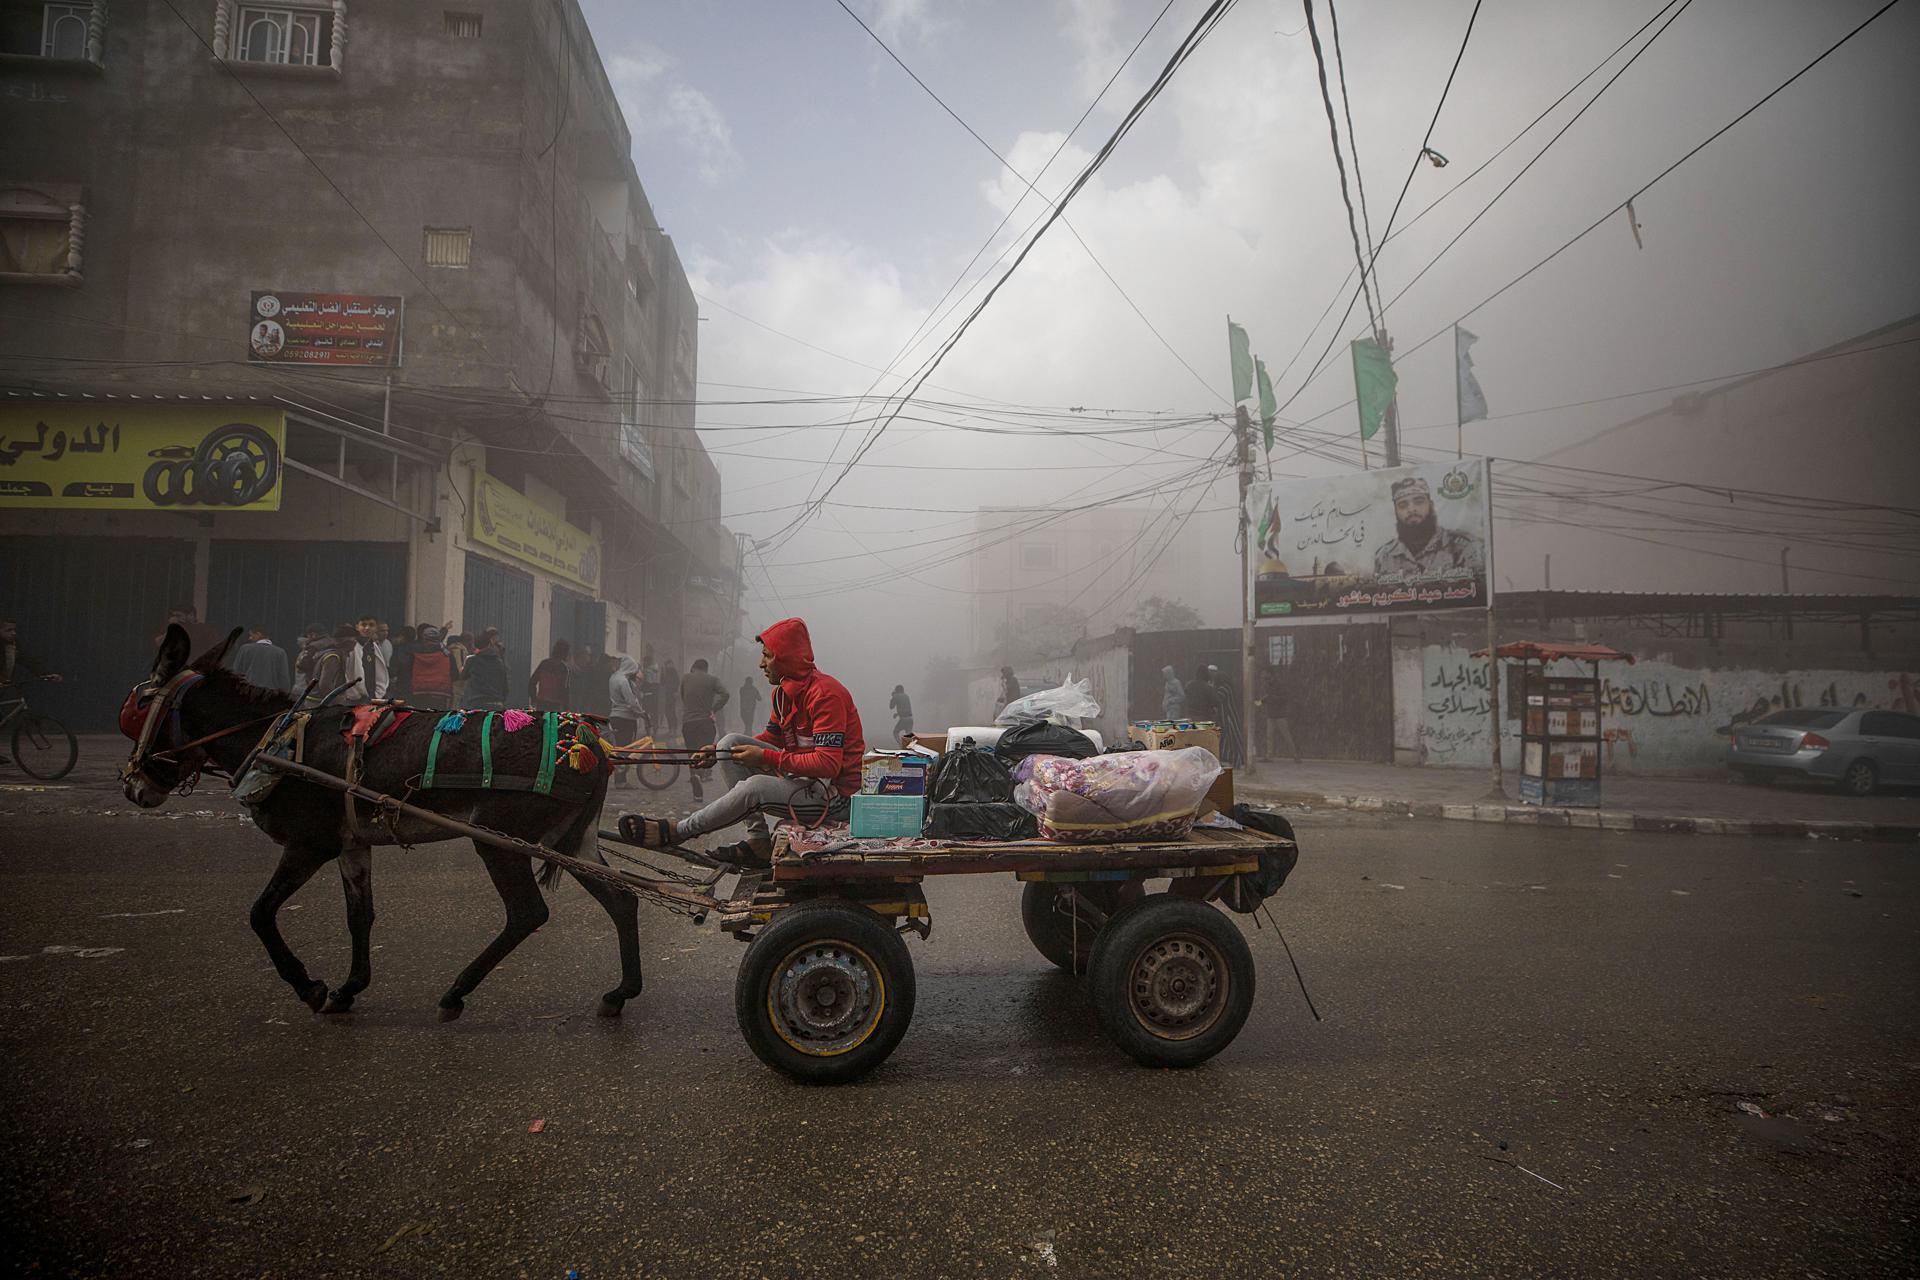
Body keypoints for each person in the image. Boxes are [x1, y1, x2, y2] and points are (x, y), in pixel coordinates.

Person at [621, 617, 865, 868]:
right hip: (805, 781)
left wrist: (765, 758)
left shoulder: (825, 694)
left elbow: (828, 764)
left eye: (767, 656)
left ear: (786, 659)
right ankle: (758, 840)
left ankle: (679, 831)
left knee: (756, 786)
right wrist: (717, 752)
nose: (761, 664)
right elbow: (772, 738)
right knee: (729, 743)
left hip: (834, 799)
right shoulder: (782, 694)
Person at [1371, 475, 1486, 582]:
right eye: (1403, 505)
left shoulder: (1463, 547)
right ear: (1396, 512)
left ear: (1431, 505)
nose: (1411, 509)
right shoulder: (1384, 556)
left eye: (1419, 502)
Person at [0, 617, 61, 766]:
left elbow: (28, 660)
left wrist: (45, 674)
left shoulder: (13, 645)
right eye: (8, 630)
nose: (13, 633)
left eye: (14, 630)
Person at [677, 658, 730, 801]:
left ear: (693, 667)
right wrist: (714, 708)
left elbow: (682, 696)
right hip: (706, 722)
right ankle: (700, 776)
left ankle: (694, 777)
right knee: (702, 751)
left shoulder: (685, 678)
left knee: (691, 752)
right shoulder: (712, 680)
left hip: (688, 722)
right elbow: (726, 694)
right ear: (706, 669)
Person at [396, 625, 456, 710]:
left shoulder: (414, 655)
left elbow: (405, 673)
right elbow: (455, 674)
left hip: (419, 692)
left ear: (423, 639)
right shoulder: (448, 656)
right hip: (440, 693)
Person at [608, 655, 645, 789]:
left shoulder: (614, 677)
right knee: (626, 750)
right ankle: (621, 781)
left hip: (615, 716)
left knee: (620, 749)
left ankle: (620, 779)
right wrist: (642, 713)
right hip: (626, 718)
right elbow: (631, 701)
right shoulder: (623, 681)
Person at [1254, 663, 1302, 764]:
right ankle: (1269, 756)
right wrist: (1261, 702)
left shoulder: (1279, 684)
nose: (1264, 676)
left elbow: (1284, 698)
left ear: (1270, 674)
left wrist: (1271, 698)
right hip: (1271, 715)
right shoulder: (1268, 685)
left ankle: (1295, 755)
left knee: (1286, 736)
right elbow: (1267, 698)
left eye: (1265, 674)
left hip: (1280, 715)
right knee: (1269, 736)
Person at [343, 615, 391, 704]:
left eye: (371, 625)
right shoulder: (352, 647)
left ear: (376, 628)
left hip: (372, 697)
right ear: (357, 627)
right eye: (363, 625)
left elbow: (380, 672)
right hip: (355, 699)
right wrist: (354, 694)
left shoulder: (373, 646)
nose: (367, 628)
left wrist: (378, 693)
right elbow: (346, 673)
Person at [231, 626, 291, 693]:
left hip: (247, 693)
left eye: (251, 635)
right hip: (270, 695)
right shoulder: (280, 653)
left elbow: (235, 672)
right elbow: (284, 678)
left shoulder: (245, 649)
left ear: (258, 634)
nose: (249, 638)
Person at [461, 629, 510, 710]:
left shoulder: (472, 660)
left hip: (477, 703)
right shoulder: (499, 661)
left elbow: (463, 676)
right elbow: (505, 686)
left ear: (474, 645)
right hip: (497, 703)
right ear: (489, 644)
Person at [155, 606, 221, 661]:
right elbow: (159, 643)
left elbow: (215, 648)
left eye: (178, 615)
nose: (175, 618)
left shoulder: (204, 629)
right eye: (174, 615)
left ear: (191, 615)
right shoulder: (174, 627)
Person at [530, 639, 573, 713]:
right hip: (556, 705)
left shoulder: (544, 664)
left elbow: (532, 682)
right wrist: (566, 709)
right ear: (565, 653)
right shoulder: (564, 669)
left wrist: (534, 699)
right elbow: (565, 690)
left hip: (541, 703)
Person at [660, 658, 681, 731]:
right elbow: (662, 682)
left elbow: (677, 682)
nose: (667, 666)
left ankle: (673, 728)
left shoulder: (674, 672)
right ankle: (671, 728)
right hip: (667, 694)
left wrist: (675, 691)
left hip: (672, 694)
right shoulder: (665, 672)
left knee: (671, 711)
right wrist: (662, 673)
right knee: (667, 711)